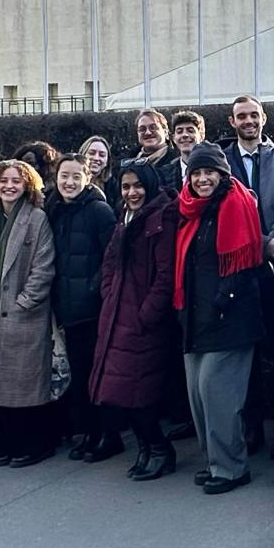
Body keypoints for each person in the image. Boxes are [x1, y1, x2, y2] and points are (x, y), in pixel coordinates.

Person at [175, 146, 265, 494]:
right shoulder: (190, 209)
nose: (202, 179)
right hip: (195, 318)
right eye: (196, 173)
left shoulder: (237, 203)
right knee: (198, 394)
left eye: (209, 172)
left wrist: (222, 300)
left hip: (230, 318)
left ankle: (232, 468)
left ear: (222, 174)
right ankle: (215, 461)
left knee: (218, 393)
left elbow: (245, 263)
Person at [90, 161, 182, 480]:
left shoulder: (162, 216)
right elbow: (111, 262)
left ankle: (159, 449)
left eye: (137, 186)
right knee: (121, 394)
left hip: (142, 321)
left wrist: (146, 313)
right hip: (118, 314)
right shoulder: (125, 217)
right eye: (126, 187)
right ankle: (146, 449)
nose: (132, 192)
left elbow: (165, 274)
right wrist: (108, 294)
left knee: (139, 394)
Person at [0, 160, 57, 467]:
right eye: (3, 180)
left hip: (22, 315)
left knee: (23, 386)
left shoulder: (37, 219)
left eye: (16, 181)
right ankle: (1, 444)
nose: (9, 186)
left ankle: (31, 445)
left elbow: (43, 268)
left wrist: (23, 302)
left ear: (27, 185)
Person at [224, 95, 274, 456]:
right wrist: (259, 244)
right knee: (247, 354)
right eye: (242, 116)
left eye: (254, 114)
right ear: (232, 121)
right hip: (240, 270)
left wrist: (271, 243)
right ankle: (251, 428)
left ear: (263, 117)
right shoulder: (222, 162)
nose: (249, 120)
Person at [48, 153, 119, 461]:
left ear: (88, 179)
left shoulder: (99, 210)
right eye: (65, 176)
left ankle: (109, 434)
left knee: (98, 374)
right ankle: (89, 432)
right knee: (79, 374)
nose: (70, 182)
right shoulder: (55, 210)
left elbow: (113, 257)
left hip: (92, 308)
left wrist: (93, 291)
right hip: (66, 307)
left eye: (77, 176)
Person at [170, 111, 206, 191]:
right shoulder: (165, 174)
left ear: (201, 135)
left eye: (190, 131)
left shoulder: (213, 170)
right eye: (179, 132)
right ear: (174, 138)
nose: (185, 135)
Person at [134, 107, 174, 174]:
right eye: (142, 129)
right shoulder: (127, 162)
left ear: (165, 131)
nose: (148, 133)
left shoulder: (177, 161)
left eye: (153, 127)